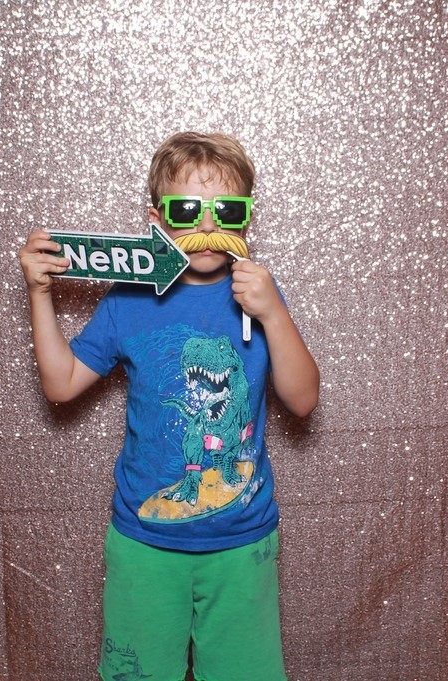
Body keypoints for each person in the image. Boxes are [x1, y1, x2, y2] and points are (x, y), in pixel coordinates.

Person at [18, 131, 319, 681]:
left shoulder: (258, 296)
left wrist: (274, 313)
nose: (207, 226)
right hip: (145, 545)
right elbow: (61, 384)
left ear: (246, 218)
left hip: (242, 543)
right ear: (157, 219)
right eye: (187, 211)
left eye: (227, 211)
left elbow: (302, 401)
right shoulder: (129, 298)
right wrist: (40, 295)